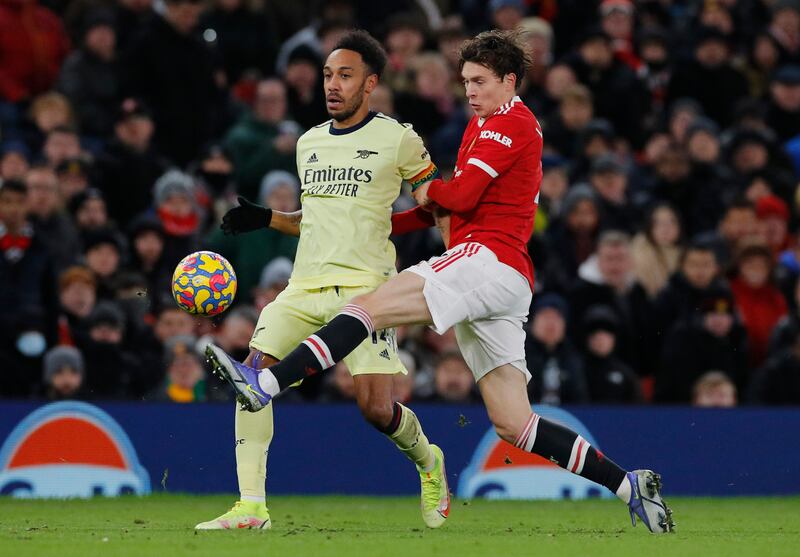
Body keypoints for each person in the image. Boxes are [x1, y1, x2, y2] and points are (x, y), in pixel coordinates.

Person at [208, 30, 673, 534]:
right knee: (516, 424)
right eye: (465, 81)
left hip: (487, 259)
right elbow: (444, 206)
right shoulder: (481, 128)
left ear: (509, 80)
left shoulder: (510, 123)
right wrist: (390, 216)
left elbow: (459, 194)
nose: (469, 91)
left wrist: (428, 190)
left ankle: (267, 382)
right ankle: (629, 484)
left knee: (369, 306)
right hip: (504, 278)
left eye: (479, 81)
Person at [196, 30, 448, 531]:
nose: (332, 85)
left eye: (345, 75)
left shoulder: (399, 138)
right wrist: (268, 218)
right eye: (329, 75)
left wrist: (455, 254)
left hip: (367, 291)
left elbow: (435, 202)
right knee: (253, 375)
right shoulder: (308, 142)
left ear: (370, 83)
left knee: (376, 410)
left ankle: (429, 460)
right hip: (303, 285)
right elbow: (313, 216)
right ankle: (251, 506)